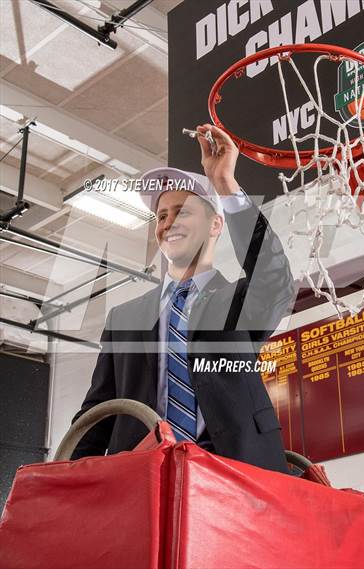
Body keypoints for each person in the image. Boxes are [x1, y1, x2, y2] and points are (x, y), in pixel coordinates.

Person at [69, 124, 294, 474]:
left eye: (183, 211)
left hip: (236, 474)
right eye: (161, 215)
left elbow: (273, 277)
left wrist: (224, 184)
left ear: (215, 225)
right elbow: (100, 410)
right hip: (144, 478)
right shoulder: (125, 318)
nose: (169, 222)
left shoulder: (237, 302)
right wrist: (62, 480)